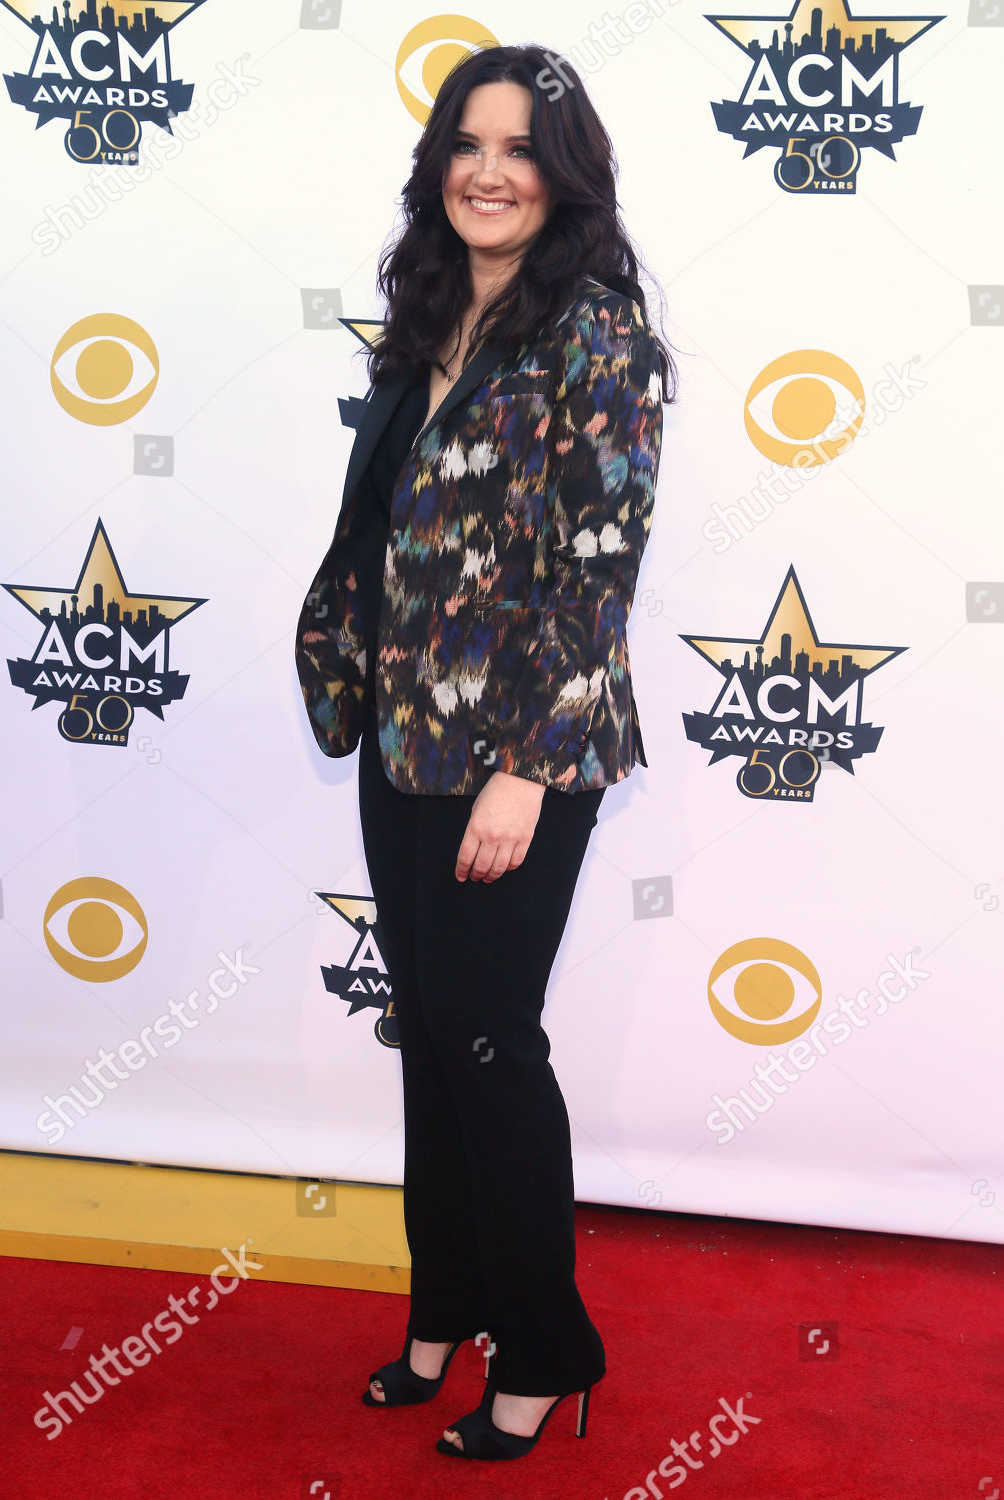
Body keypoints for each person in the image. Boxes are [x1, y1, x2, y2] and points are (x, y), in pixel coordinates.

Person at [295, 42, 677, 1462]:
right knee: (432, 1046)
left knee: (486, 1046)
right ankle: (443, 1311)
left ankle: (549, 1345)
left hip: (521, 748)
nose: (489, 171)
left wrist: (526, 767)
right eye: (468, 142)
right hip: (403, 735)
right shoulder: (429, 311)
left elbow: (596, 567)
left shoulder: (597, 331)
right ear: (438, 163)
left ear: (564, 174)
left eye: (520, 147)